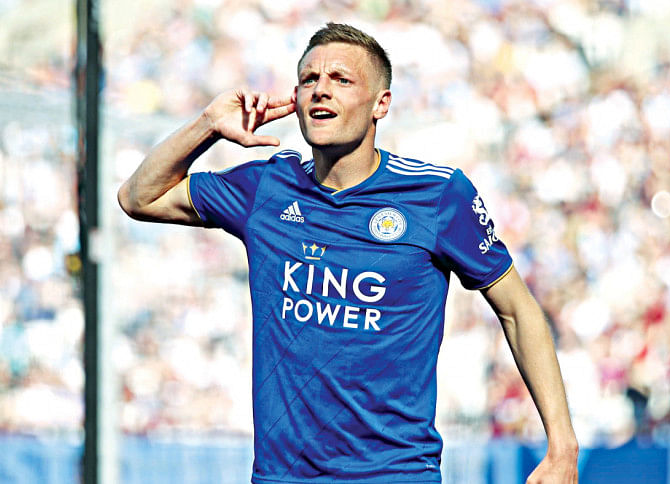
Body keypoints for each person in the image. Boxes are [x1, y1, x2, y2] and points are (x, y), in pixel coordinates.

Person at [119, 22, 578, 483]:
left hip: (393, 473)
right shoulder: (267, 188)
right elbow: (139, 198)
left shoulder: (437, 196)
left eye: (341, 79)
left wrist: (562, 447)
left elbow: (518, 310)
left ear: (381, 104)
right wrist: (208, 126)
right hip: (283, 476)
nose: (321, 90)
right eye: (309, 79)